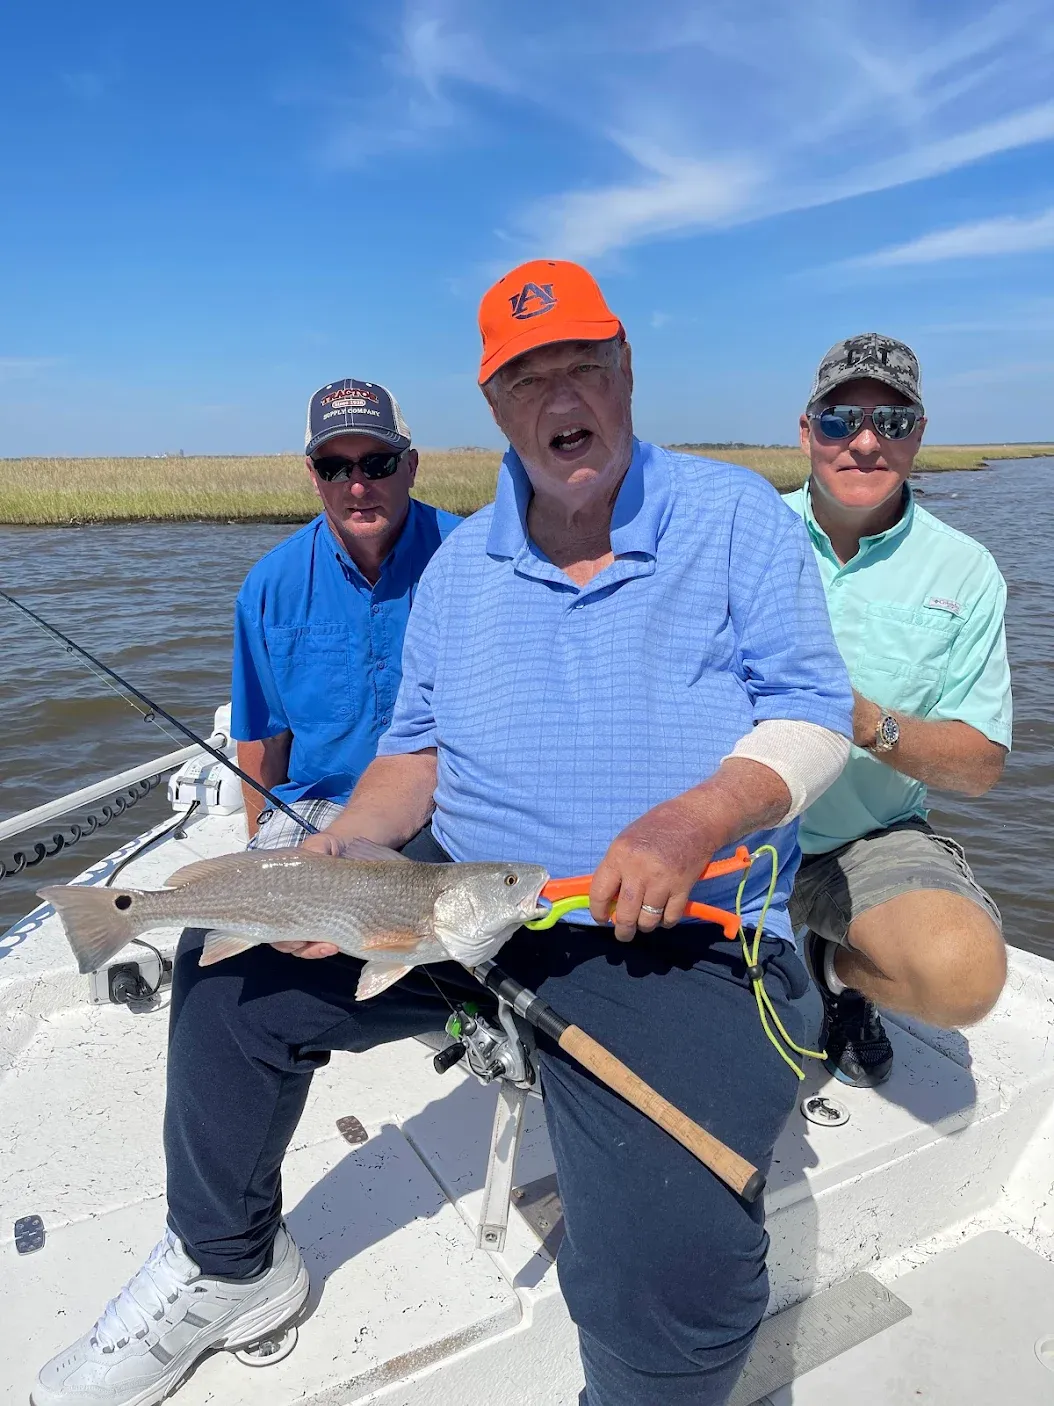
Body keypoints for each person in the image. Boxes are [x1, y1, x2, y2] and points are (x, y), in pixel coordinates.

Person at [34, 264, 853, 1406]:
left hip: (676, 929)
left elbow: (812, 713)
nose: (559, 397)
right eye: (526, 377)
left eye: (581, 365)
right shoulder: (462, 568)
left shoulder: (735, 519)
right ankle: (229, 1263)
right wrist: (351, 847)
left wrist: (697, 812)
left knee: (673, 1285)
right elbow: (412, 752)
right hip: (455, 901)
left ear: (625, 372)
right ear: (495, 406)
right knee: (225, 979)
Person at [784, 334, 1011, 1087]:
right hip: (728, 830)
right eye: (842, 418)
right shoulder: (744, 534)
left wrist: (866, 722)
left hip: (862, 838)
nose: (866, 442)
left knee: (962, 979)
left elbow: (980, 767)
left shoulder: (965, 569)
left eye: (894, 422)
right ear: (807, 430)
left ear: (920, 437)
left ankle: (835, 967)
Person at [232, 377, 460, 849]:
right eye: (335, 468)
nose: (358, 486)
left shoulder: (472, 556)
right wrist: (260, 848)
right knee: (219, 927)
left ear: (412, 466)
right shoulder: (269, 586)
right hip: (319, 807)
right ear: (313, 476)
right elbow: (262, 739)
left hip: (451, 799)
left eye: (378, 463)